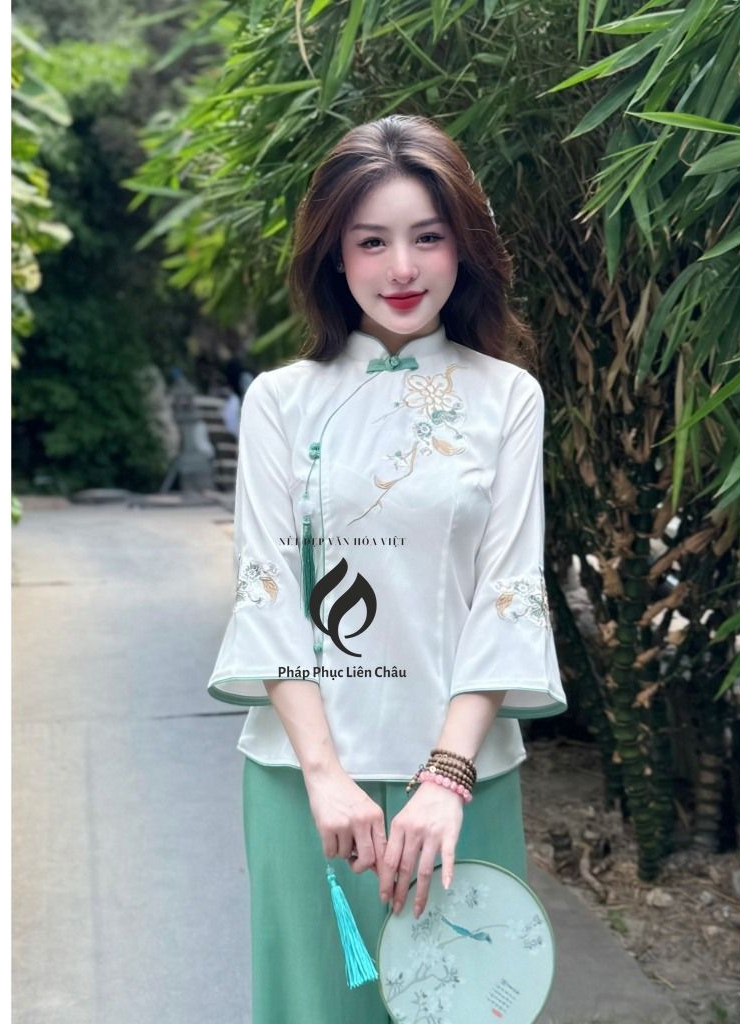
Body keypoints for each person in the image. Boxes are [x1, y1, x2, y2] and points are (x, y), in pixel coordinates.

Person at [207, 113, 568, 1023]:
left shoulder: (506, 398)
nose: (401, 268)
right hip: (303, 783)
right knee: (315, 1008)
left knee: (465, 1007)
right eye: (372, 241)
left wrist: (444, 779)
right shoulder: (282, 402)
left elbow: (508, 594)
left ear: (464, 247)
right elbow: (266, 590)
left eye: (427, 237)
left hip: (462, 782)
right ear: (334, 255)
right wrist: (324, 775)